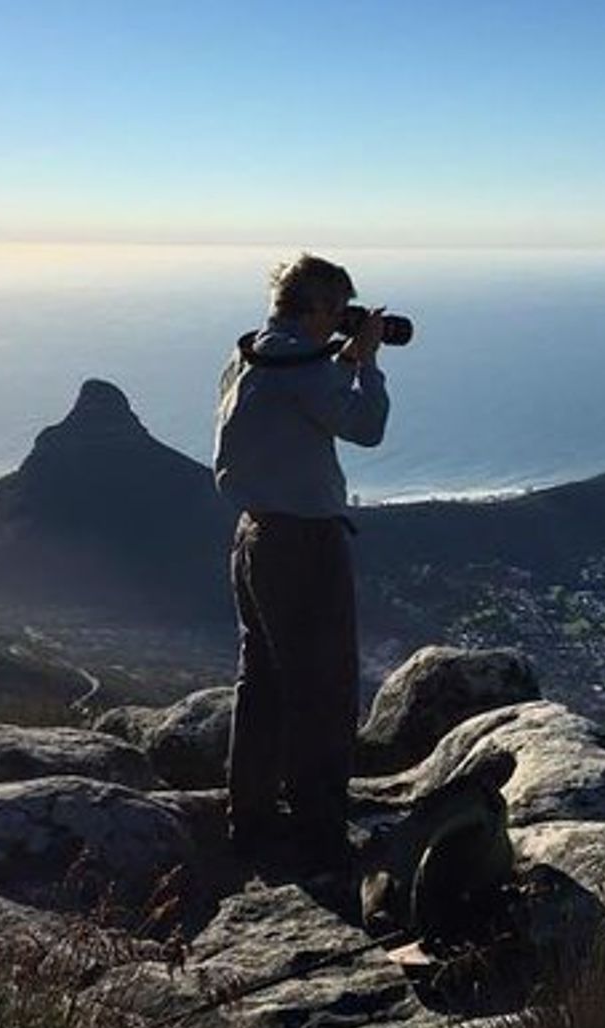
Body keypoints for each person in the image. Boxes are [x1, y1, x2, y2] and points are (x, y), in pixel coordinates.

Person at [212, 253, 390, 873]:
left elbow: (300, 397)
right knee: (323, 687)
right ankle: (320, 830)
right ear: (315, 308)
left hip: (252, 536)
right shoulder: (306, 369)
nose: (344, 321)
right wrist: (367, 363)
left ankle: (251, 817)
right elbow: (366, 426)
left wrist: (340, 358)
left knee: (261, 682)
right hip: (304, 543)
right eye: (339, 311)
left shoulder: (250, 357)